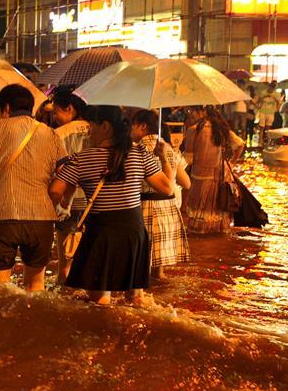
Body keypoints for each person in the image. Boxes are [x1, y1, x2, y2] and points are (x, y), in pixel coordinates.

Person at [49, 106, 172, 305]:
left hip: (101, 234)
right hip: (134, 233)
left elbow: (55, 190)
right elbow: (167, 189)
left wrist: (63, 205)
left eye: (92, 126)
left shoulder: (82, 158)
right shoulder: (140, 153)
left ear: (105, 127)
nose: (89, 132)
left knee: (99, 302)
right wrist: (163, 158)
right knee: (136, 300)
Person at [0, 84, 66, 292]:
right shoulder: (51, 134)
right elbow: (65, 173)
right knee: (36, 284)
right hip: (41, 218)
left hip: (2, 217)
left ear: (6, 108)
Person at [131, 109, 191, 279]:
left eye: (132, 126)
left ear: (142, 127)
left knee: (140, 267)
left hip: (145, 207)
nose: (130, 130)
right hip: (168, 208)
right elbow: (185, 183)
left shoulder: (136, 149)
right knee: (159, 270)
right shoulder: (170, 150)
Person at [49, 86, 91, 284]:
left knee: (64, 263)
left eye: (56, 110)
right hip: (94, 202)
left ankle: (64, 296)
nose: (55, 116)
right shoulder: (98, 130)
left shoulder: (57, 134)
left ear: (69, 108)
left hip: (66, 203)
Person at [182, 105, 245, 234]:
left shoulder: (193, 130)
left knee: (199, 212)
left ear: (202, 112)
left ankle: (202, 236)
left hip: (200, 176)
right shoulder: (221, 129)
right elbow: (240, 145)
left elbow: (188, 159)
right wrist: (232, 163)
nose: (191, 114)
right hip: (221, 175)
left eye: (192, 111)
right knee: (218, 209)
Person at [254, 81, 282, 146]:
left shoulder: (277, 94)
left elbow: (279, 103)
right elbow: (257, 101)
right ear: (269, 86)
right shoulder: (263, 92)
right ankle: (260, 141)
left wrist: (276, 106)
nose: (272, 88)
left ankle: (267, 141)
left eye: (274, 87)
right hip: (262, 111)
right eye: (271, 86)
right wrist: (263, 97)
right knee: (261, 127)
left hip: (271, 112)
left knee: (268, 127)